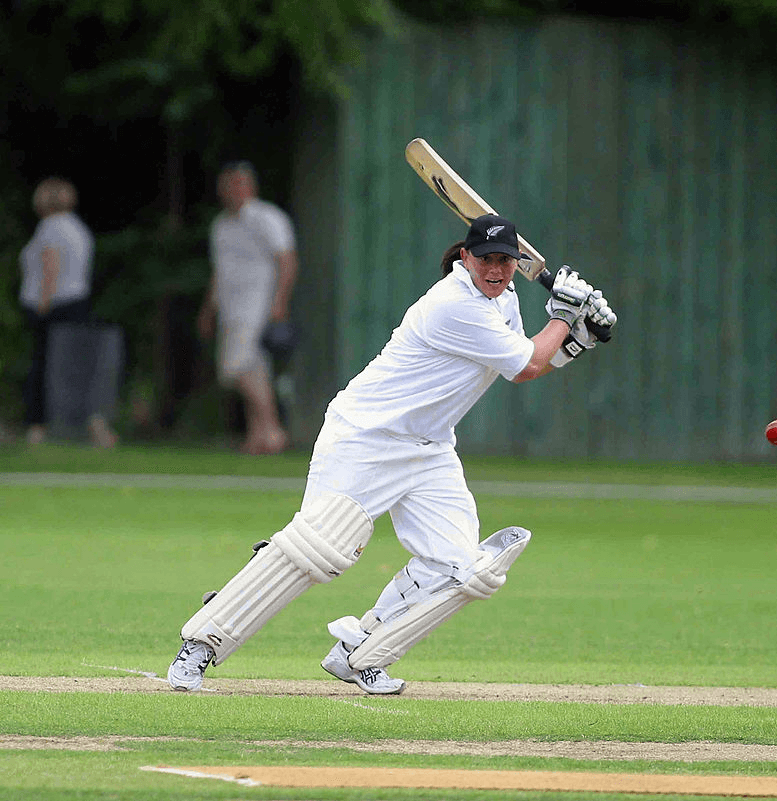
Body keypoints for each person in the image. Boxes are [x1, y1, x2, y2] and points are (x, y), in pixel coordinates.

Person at [167, 213, 617, 695]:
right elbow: (527, 361)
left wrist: (577, 340)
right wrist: (565, 317)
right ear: (465, 258)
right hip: (365, 436)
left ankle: (360, 651)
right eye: (486, 259)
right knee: (319, 549)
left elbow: (526, 365)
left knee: (462, 568)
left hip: (429, 449)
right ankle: (201, 643)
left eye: (505, 260)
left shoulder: (503, 300)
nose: (497, 269)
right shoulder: (451, 305)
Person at [198, 161, 297, 455]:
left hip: (258, 305)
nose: (233, 192)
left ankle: (272, 429)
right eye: (228, 186)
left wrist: (280, 301)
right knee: (253, 370)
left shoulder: (267, 217)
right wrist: (208, 310)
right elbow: (220, 271)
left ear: (250, 187)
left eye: (238, 184)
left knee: (237, 368)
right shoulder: (220, 226)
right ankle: (259, 436)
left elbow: (287, 259)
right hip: (230, 307)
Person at [18, 177, 118, 448]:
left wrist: (43, 303)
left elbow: (51, 265)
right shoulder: (79, 228)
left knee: (44, 367)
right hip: (78, 304)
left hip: (53, 306)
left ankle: (37, 426)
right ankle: (93, 423)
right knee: (77, 368)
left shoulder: (50, 227)